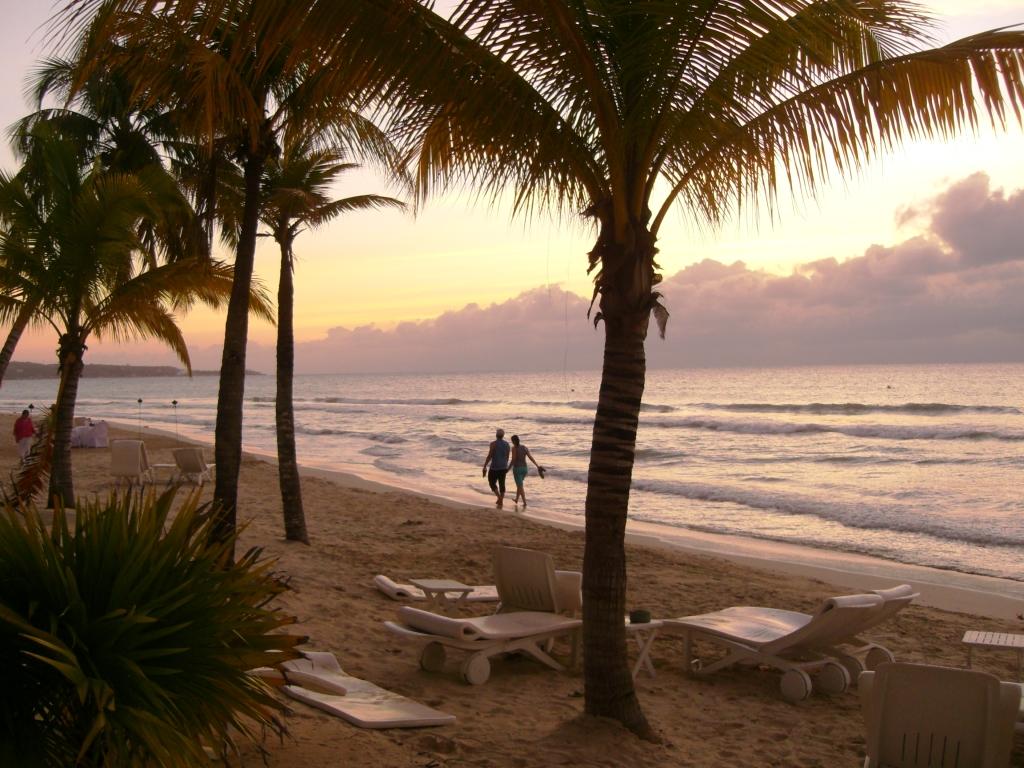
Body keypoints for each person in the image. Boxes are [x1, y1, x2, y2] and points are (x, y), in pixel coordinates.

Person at [509, 434, 545, 508]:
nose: (512, 442)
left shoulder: (514, 448)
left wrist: (508, 468)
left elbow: (513, 459)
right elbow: (530, 457)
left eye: (512, 441)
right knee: (520, 485)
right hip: (524, 469)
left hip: (517, 469)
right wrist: (537, 466)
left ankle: (525, 502)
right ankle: (516, 499)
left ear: (513, 441)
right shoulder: (524, 447)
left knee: (520, 486)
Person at [482, 428, 510, 509]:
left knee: (491, 482)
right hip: (503, 466)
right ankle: (500, 499)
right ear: (503, 435)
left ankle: (499, 498)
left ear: (496, 435)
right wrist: (505, 464)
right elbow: (507, 456)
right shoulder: (507, 444)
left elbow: (490, 456)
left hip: (494, 467)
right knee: (502, 484)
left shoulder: (493, 444)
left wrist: (485, 466)